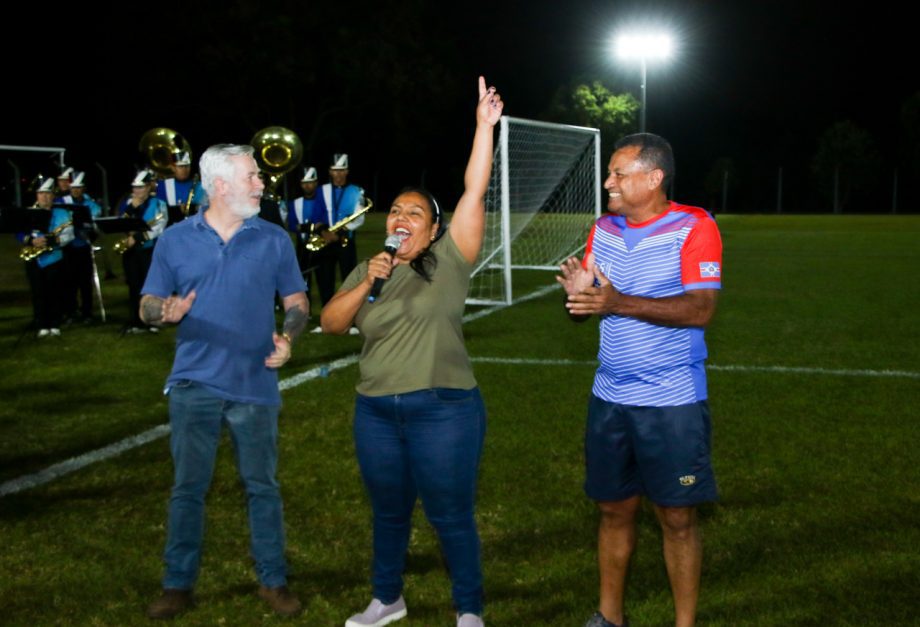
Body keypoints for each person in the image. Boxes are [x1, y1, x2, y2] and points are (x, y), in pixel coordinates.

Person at [321, 76, 503, 627]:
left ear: (435, 228)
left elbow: (474, 190)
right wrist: (366, 280)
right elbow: (332, 324)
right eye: (396, 211)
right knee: (389, 513)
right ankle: (387, 599)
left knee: (450, 516)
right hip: (376, 409)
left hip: (443, 409)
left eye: (415, 213)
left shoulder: (450, 259)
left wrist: (482, 128)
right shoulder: (367, 269)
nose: (401, 219)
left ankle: (468, 609)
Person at [556, 133, 722, 627]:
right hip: (609, 397)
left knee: (676, 517)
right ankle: (610, 617)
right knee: (613, 509)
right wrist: (580, 298)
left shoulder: (695, 227)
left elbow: (701, 309)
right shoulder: (602, 229)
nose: (608, 182)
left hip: (671, 400)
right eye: (610, 173)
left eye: (618, 174)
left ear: (654, 179)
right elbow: (590, 307)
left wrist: (616, 301)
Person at [141, 143, 309, 620]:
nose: (261, 183)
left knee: (263, 486)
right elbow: (147, 304)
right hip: (195, 383)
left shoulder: (274, 238)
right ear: (220, 185)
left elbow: (297, 301)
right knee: (188, 487)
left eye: (258, 176)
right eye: (252, 176)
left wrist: (289, 337)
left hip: (255, 385)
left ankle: (273, 581)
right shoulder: (174, 239)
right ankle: (177, 585)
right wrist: (163, 312)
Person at [17, 175, 74, 337]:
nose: (45, 197)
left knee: (55, 291)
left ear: (53, 196)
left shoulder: (63, 213)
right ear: (37, 195)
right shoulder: (29, 213)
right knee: (38, 292)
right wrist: (31, 241)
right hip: (35, 258)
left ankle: (55, 324)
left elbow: (69, 235)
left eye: (48, 194)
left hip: (55, 257)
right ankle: (41, 323)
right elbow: (19, 232)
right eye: (41, 193)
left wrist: (52, 240)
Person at [313, 152, 367, 310]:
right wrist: (325, 232)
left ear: (347, 171)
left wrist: (339, 234)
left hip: (345, 241)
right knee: (325, 281)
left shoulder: (356, 191)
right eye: (335, 170)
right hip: (325, 241)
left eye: (342, 170)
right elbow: (316, 216)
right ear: (330, 171)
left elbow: (359, 218)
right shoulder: (321, 190)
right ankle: (327, 316)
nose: (338, 174)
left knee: (350, 280)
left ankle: (351, 319)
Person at [116, 169, 167, 333]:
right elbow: (120, 222)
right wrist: (131, 208)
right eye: (135, 188)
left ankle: (152, 321)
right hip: (131, 251)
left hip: (149, 250)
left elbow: (160, 227)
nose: (137, 191)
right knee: (133, 284)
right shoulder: (127, 204)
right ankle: (135, 320)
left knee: (150, 286)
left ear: (148, 187)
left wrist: (137, 238)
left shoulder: (159, 203)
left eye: (141, 188)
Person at [60, 171, 103, 322]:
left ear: (83, 188)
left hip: (84, 245)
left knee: (85, 282)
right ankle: (71, 311)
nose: (75, 191)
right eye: (73, 188)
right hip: (67, 246)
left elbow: (96, 225)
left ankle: (87, 312)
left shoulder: (92, 205)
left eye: (78, 188)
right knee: (68, 281)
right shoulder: (62, 201)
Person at [286, 166, 320, 306]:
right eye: (304, 183)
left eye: (311, 182)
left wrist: (305, 227)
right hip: (303, 245)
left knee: (323, 279)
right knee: (303, 279)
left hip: (321, 245)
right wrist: (310, 227)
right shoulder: (295, 203)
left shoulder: (322, 201)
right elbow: (292, 225)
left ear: (316, 183)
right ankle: (307, 309)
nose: (307, 186)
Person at [155, 150, 208, 224]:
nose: (184, 170)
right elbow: (159, 213)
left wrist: (194, 208)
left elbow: (206, 209)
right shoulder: (163, 186)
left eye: (187, 166)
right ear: (173, 168)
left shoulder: (200, 186)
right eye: (180, 166)